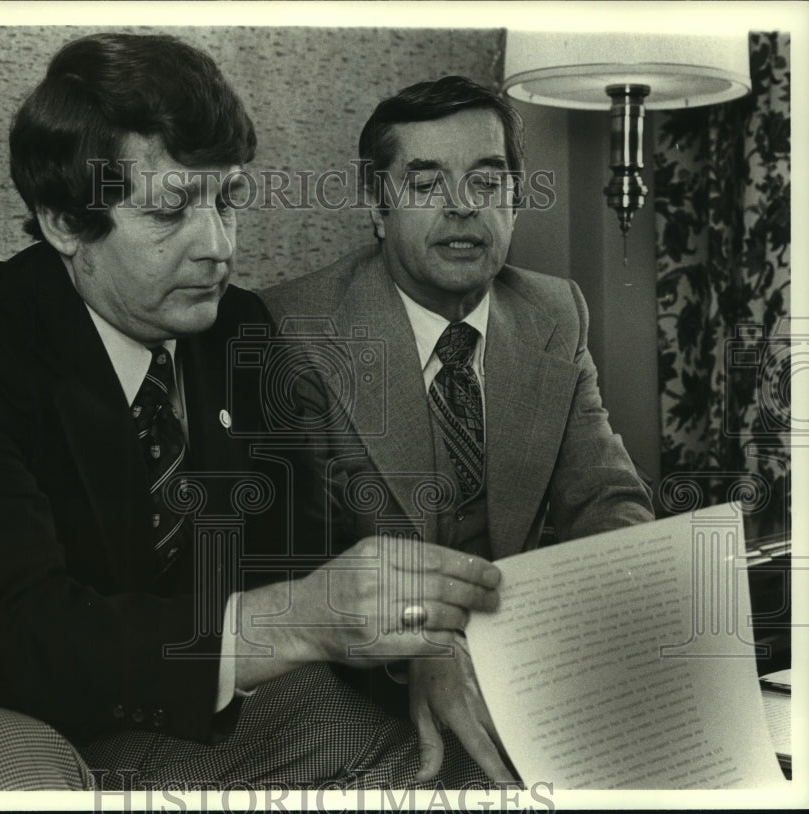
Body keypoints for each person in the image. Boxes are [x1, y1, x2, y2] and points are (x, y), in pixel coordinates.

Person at [0, 34, 505, 792]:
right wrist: (294, 620)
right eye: (171, 210)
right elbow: (11, 634)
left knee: (443, 764)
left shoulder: (239, 330)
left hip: (178, 702)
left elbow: (309, 545)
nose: (217, 246)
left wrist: (417, 642)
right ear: (62, 221)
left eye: (227, 201)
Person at [261, 76, 655, 784]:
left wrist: (623, 608)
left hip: (525, 657)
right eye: (425, 183)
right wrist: (423, 644)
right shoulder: (295, 331)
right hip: (365, 678)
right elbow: (299, 559)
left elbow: (605, 499)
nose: (462, 208)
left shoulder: (553, 311)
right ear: (376, 205)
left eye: (486, 179)